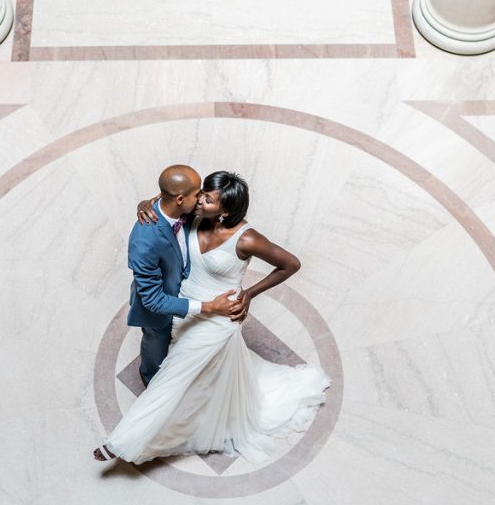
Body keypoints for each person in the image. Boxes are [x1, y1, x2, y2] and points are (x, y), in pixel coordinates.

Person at [94, 171, 329, 465]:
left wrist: (250, 293)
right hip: (188, 304)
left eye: (208, 198)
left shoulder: (247, 239)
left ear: (225, 211)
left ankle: (121, 442)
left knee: (173, 375)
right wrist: (144, 204)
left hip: (221, 315)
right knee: (204, 368)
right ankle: (213, 400)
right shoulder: (194, 214)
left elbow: (290, 264)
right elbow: (169, 200)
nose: (200, 200)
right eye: (201, 193)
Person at [125, 164, 243, 390]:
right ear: (180, 199)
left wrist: (144, 202)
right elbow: (153, 300)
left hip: (188, 288)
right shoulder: (144, 242)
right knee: (156, 347)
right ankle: (153, 383)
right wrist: (208, 307)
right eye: (197, 194)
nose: (200, 199)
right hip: (160, 308)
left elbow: (166, 194)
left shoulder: (183, 210)